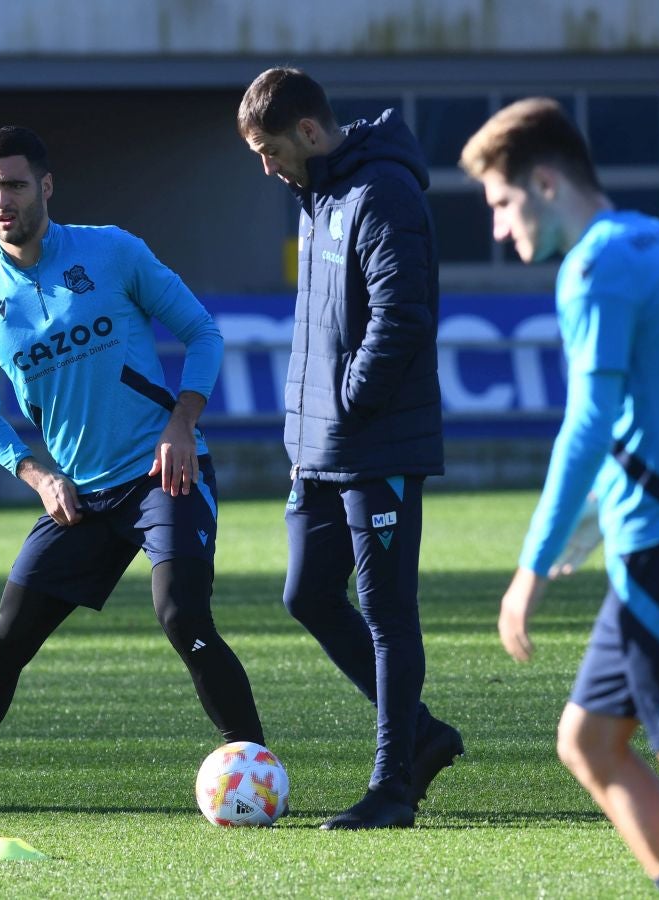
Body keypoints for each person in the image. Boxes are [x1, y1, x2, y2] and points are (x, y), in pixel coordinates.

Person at [0, 125, 265, 813]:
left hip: (160, 473)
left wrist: (181, 423)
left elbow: (202, 333)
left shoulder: (112, 251)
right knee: (5, 640)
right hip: (77, 496)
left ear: (45, 185)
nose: (1, 200)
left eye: (14, 184)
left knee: (181, 613)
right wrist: (38, 476)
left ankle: (255, 772)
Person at [459, 99, 659, 900]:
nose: (498, 227)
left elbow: (588, 423)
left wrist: (529, 568)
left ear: (545, 183)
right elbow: (652, 409)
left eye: (501, 202)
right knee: (588, 740)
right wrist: (593, 522)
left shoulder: (594, 267)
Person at [236, 67, 463, 830]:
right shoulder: (317, 195)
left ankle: (392, 786)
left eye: (269, 151)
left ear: (307, 131)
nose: (266, 169)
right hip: (322, 449)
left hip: (377, 444)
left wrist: (349, 405)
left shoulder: (382, 193)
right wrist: (307, 434)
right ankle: (423, 735)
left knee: (386, 612)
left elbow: (402, 316)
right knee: (306, 594)